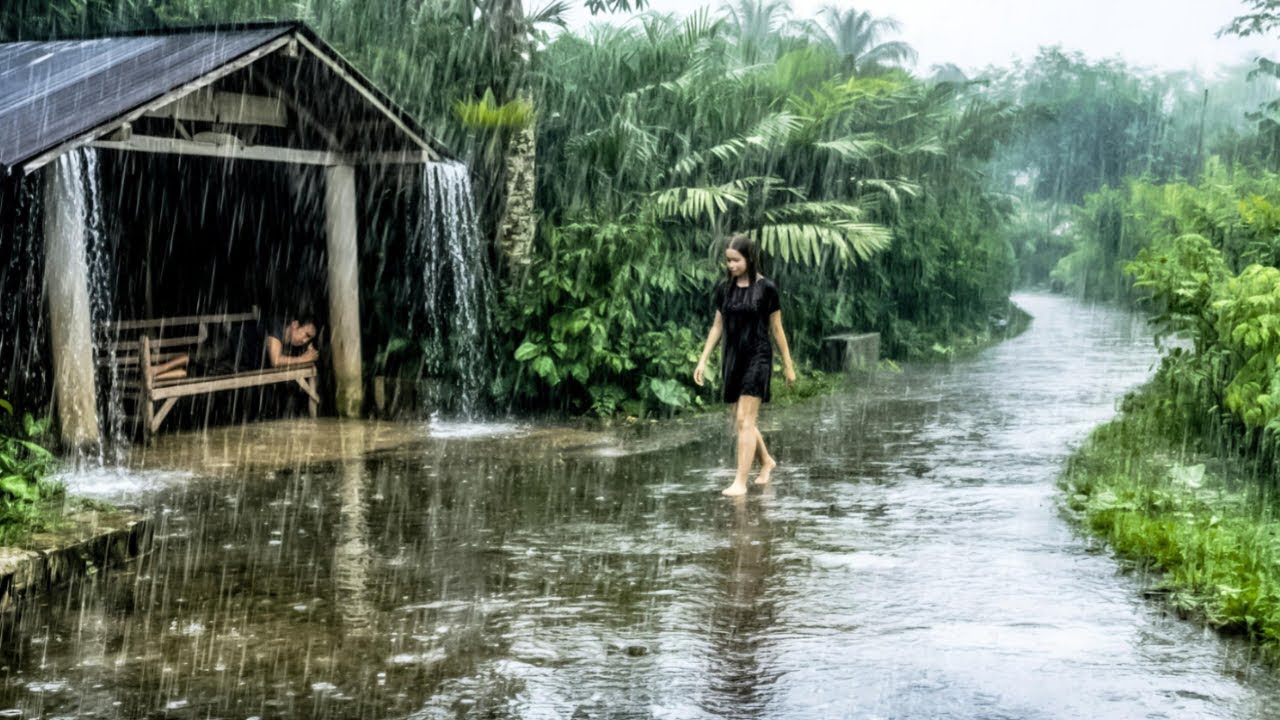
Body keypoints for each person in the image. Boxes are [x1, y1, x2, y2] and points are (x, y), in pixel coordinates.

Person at [693, 233, 797, 496]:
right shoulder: (724, 289)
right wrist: (703, 360)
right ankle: (767, 462)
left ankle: (740, 481)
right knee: (740, 421)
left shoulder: (767, 289)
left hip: (758, 356)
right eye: (728, 261)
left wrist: (788, 364)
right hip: (732, 357)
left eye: (736, 260)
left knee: (744, 419)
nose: (730, 266)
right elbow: (717, 327)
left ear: (749, 259)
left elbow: (777, 327)